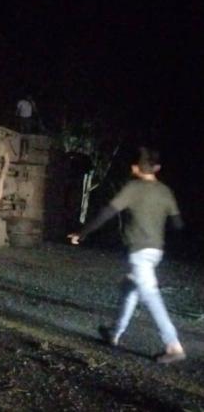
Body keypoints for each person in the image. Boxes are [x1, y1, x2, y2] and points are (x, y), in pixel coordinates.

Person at [67, 147, 186, 364]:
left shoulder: (134, 188)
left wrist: (82, 233)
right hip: (155, 251)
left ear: (135, 167)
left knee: (150, 294)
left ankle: (173, 345)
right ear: (157, 168)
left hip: (140, 251)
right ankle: (115, 333)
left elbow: (107, 212)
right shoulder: (164, 191)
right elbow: (177, 223)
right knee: (130, 287)